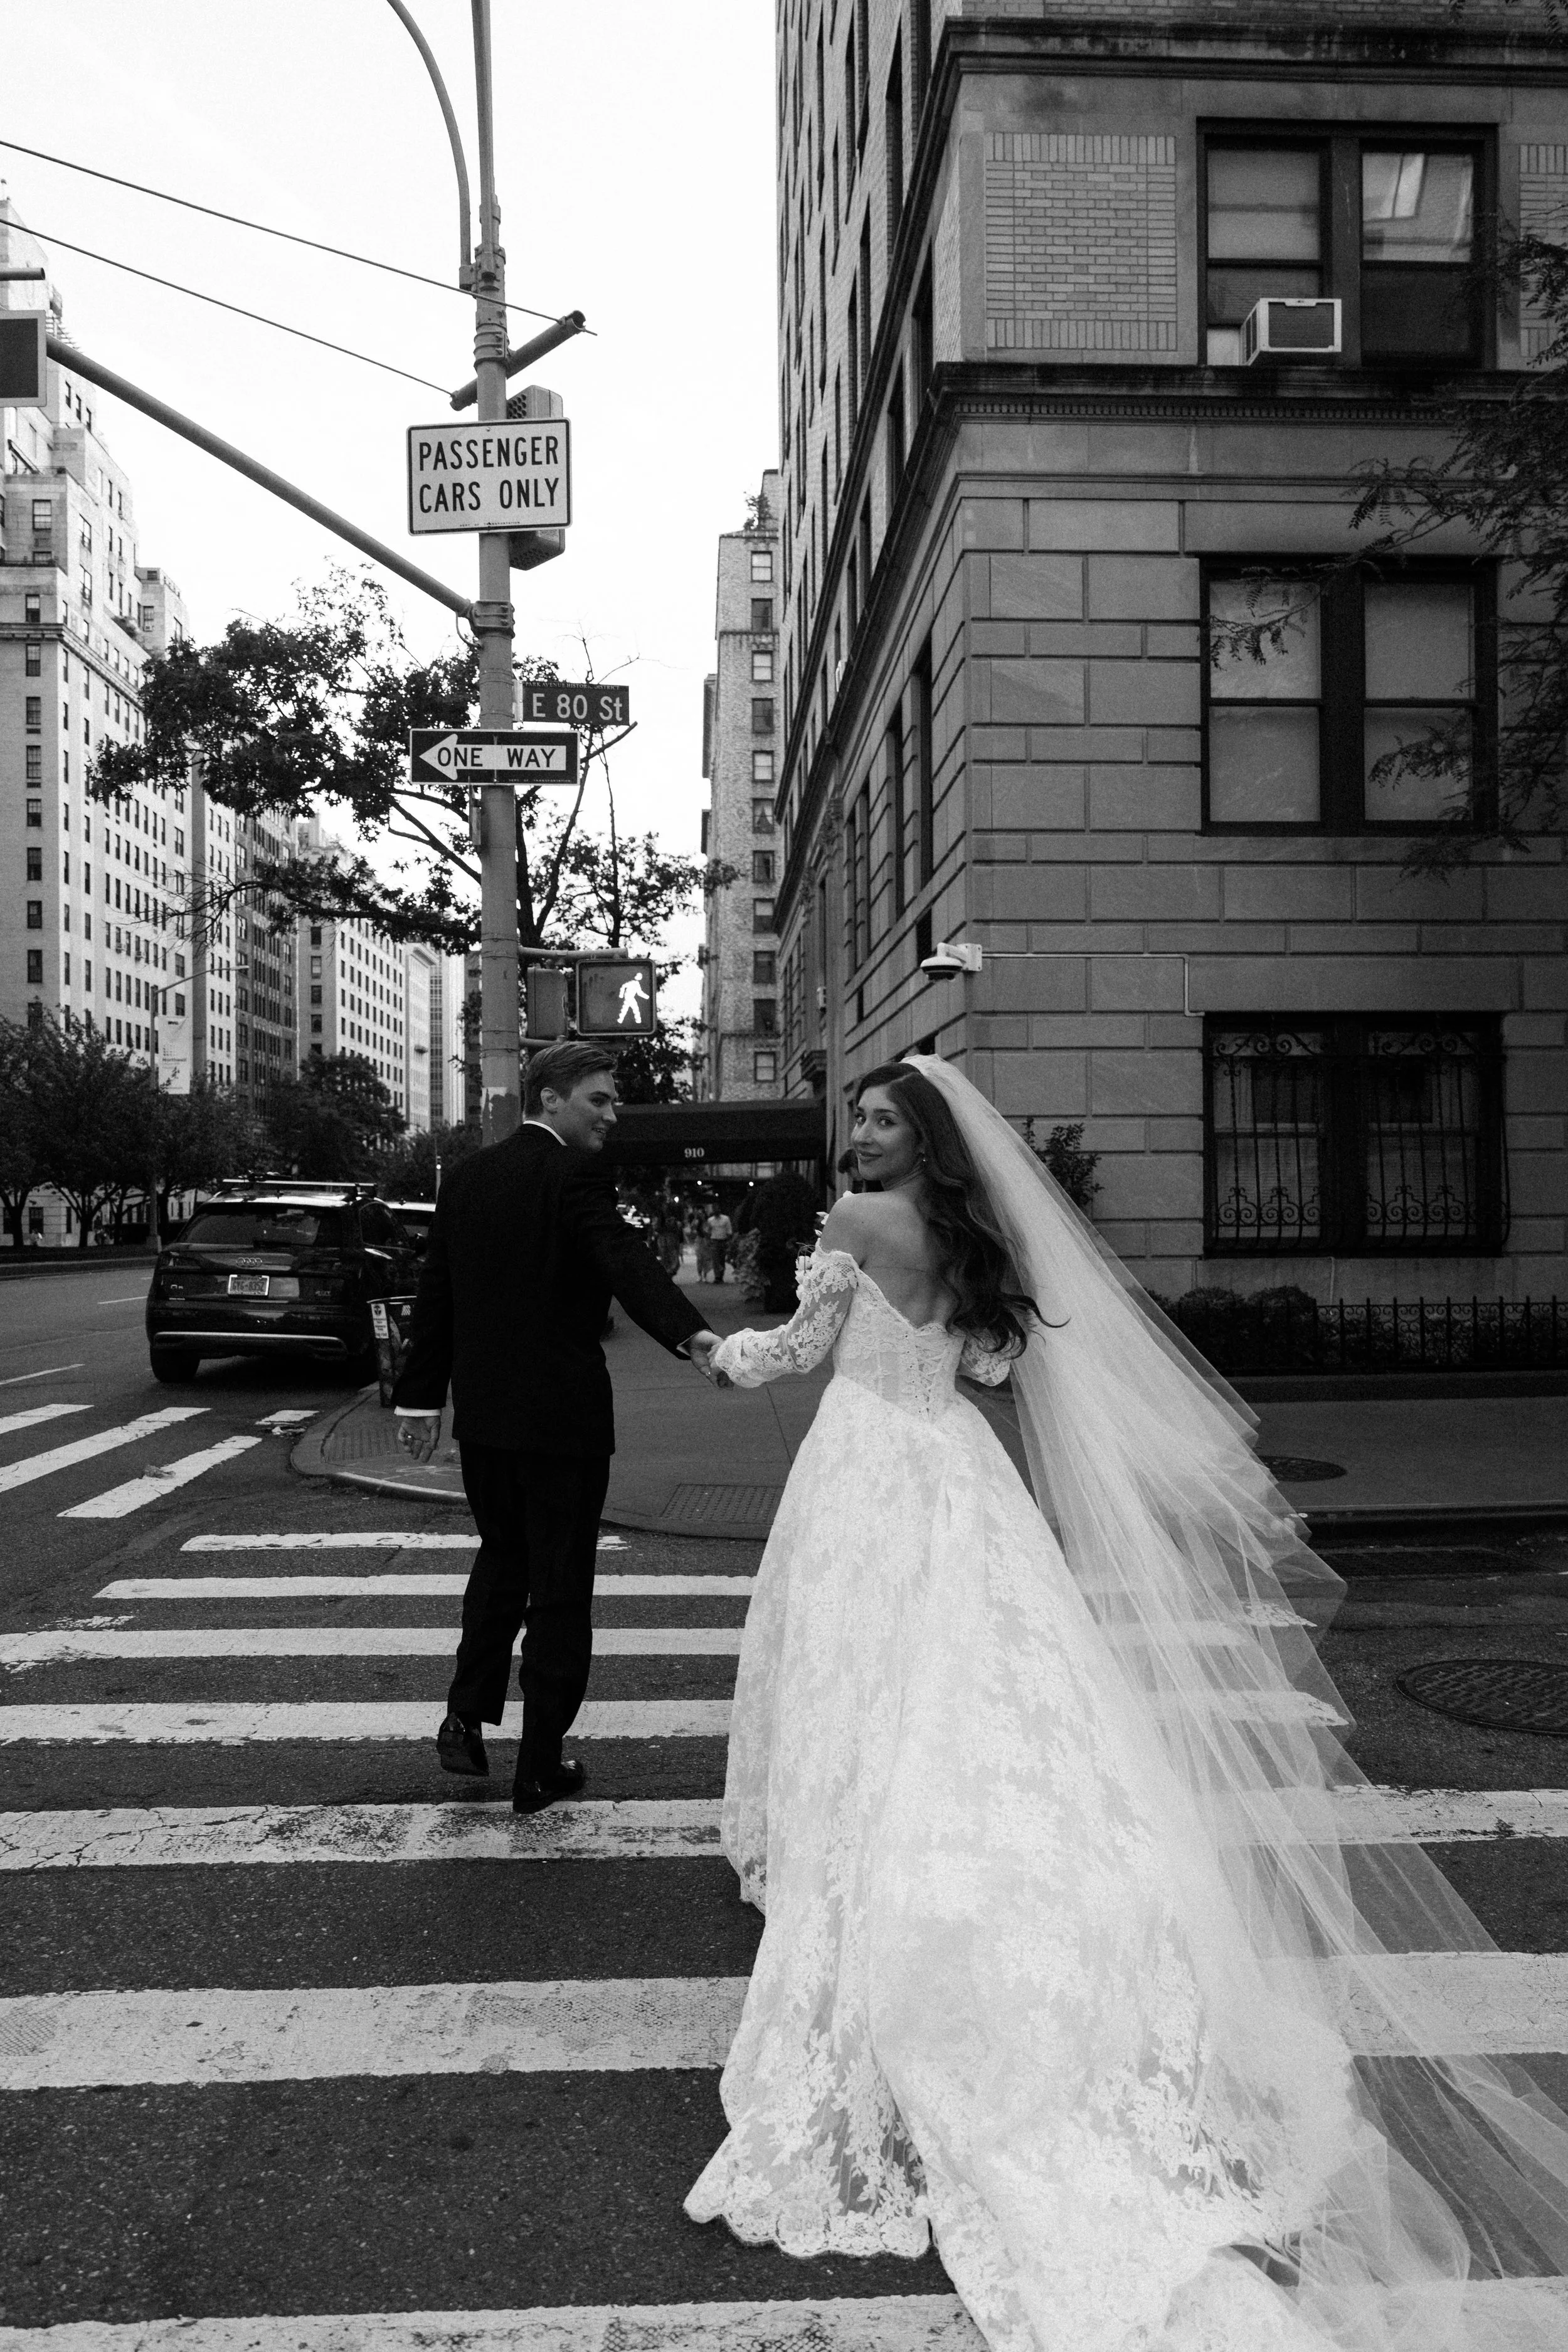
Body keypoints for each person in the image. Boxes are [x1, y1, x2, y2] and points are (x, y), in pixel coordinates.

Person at [685, 1056, 1568, 2351]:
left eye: (883, 1118)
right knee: (965, 1676)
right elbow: (991, 1373)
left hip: (868, 1467)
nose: (862, 1133)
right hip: (953, 1473)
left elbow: (796, 1353)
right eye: (858, 1116)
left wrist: (717, 1356)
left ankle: (859, 1847)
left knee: (854, 1661)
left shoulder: (855, 1224)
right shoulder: (967, 1239)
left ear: (921, 1139)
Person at [393, 1042, 724, 1814]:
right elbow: (622, 1257)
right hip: (563, 1423)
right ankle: (539, 1764)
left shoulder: (470, 1175)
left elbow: (434, 1290)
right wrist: (692, 1337)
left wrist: (419, 1400)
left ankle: (464, 1718)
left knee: (501, 1562)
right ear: (550, 1099)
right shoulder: (573, 1173)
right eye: (599, 1099)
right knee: (561, 1589)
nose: (613, 1114)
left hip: (485, 1420)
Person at [703, 1202, 734, 1283]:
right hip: (715, 1241)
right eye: (714, 1210)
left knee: (721, 1259)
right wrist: (708, 1241)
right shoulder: (710, 1220)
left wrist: (729, 1241)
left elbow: (729, 1231)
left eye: (717, 1209)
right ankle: (717, 1276)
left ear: (720, 1210)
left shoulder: (726, 1219)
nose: (716, 1211)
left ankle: (721, 1276)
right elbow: (707, 1231)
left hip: (723, 1241)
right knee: (715, 1259)